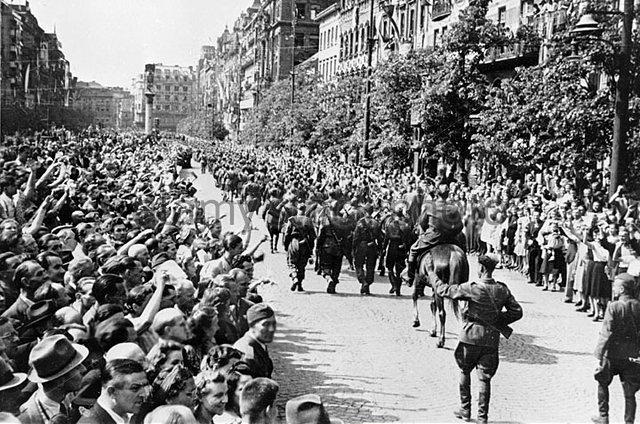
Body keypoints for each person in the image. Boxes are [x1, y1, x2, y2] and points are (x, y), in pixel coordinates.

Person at [430, 255, 523, 424]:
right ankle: (482, 417)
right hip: (491, 340)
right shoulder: (502, 289)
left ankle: (465, 410)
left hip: (470, 337)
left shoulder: (473, 288)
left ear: (480, 269)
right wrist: (497, 319)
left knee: (465, 371)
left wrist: (432, 274)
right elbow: (517, 312)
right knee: (485, 378)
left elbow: (444, 290)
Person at [593, 273, 640, 424]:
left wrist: (599, 355)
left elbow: (607, 332)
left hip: (612, 354)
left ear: (621, 289)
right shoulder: (638, 306)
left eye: (615, 286)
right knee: (630, 392)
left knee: (602, 382)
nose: (612, 288)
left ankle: (603, 416)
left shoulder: (614, 306)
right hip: (631, 355)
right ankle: (629, 421)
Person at [19, 335, 89, 424]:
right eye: (76, 367)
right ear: (60, 381)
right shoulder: (31, 418)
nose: (84, 369)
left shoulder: (63, 398)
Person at [404, 183, 466, 285]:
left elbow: (422, 223)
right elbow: (460, 226)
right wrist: (451, 233)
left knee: (413, 250)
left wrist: (426, 232)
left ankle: (410, 276)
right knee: (462, 253)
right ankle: (463, 277)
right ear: (448, 194)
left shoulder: (429, 207)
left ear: (437, 194)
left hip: (432, 238)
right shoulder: (454, 208)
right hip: (450, 239)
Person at [79, 359, 150, 424]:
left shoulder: (133, 411)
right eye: (135, 388)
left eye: (145, 385)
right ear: (112, 392)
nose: (144, 394)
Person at [233, 304, 275, 378]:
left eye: (273, 323)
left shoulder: (258, 342)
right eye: (266, 324)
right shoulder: (246, 349)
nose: (271, 329)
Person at [283, 204, 316, 292]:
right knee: (302, 265)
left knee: (292, 262)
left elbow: (287, 234)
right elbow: (312, 236)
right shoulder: (308, 220)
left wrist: (286, 245)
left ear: (297, 209)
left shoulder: (292, 219)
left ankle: (294, 278)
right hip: (304, 244)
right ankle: (300, 285)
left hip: (294, 242)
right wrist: (311, 249)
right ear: (305, 210)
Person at [351, 204, 381, 295]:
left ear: (364, 211)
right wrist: (379, 249)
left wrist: (353, 248)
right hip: (372, 246)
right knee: (370, 266)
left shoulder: (360, 222)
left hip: (361, 245)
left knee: (358, 264)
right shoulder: (376, 223)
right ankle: (367, 284)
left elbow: (356, 237)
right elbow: (380, 238)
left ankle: (363, 281)